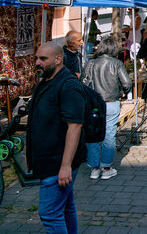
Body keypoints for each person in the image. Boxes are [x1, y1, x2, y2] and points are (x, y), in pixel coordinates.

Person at [27, 42, 86, 232]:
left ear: (58, 59)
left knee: (49, 213)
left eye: (43, 59)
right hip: (48, 161)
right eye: (36, 58)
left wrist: (65, 166)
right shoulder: (47, 81)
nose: (37, 62)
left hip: (57, 162)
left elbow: (75, 126)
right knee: (66, 208)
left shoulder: (68, 85)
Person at [82, 36, 132, 180]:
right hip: (111, 102)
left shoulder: (90, 63)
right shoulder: (116, 63)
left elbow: (83, 84)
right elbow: (127, 83)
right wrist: (124, 92)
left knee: (93, 135)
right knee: (109, 134)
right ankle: (107, 167)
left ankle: (94, 168)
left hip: (94, 104)